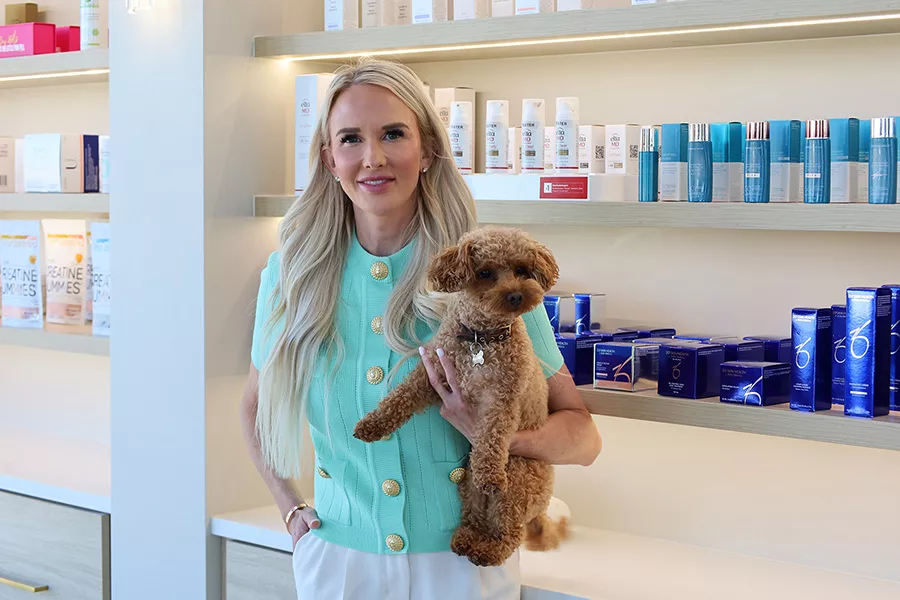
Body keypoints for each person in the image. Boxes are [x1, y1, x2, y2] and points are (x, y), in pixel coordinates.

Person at [240, 57, 602, 600]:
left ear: (428, 150)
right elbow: (254, 406)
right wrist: (289, 509)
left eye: (393, 134)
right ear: (328, 159)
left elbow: (583, 438)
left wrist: (495, 438)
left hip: (461, 566)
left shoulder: (482, 281)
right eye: (350, 139)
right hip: (337, 564)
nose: (373, 157)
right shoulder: (292, 276)